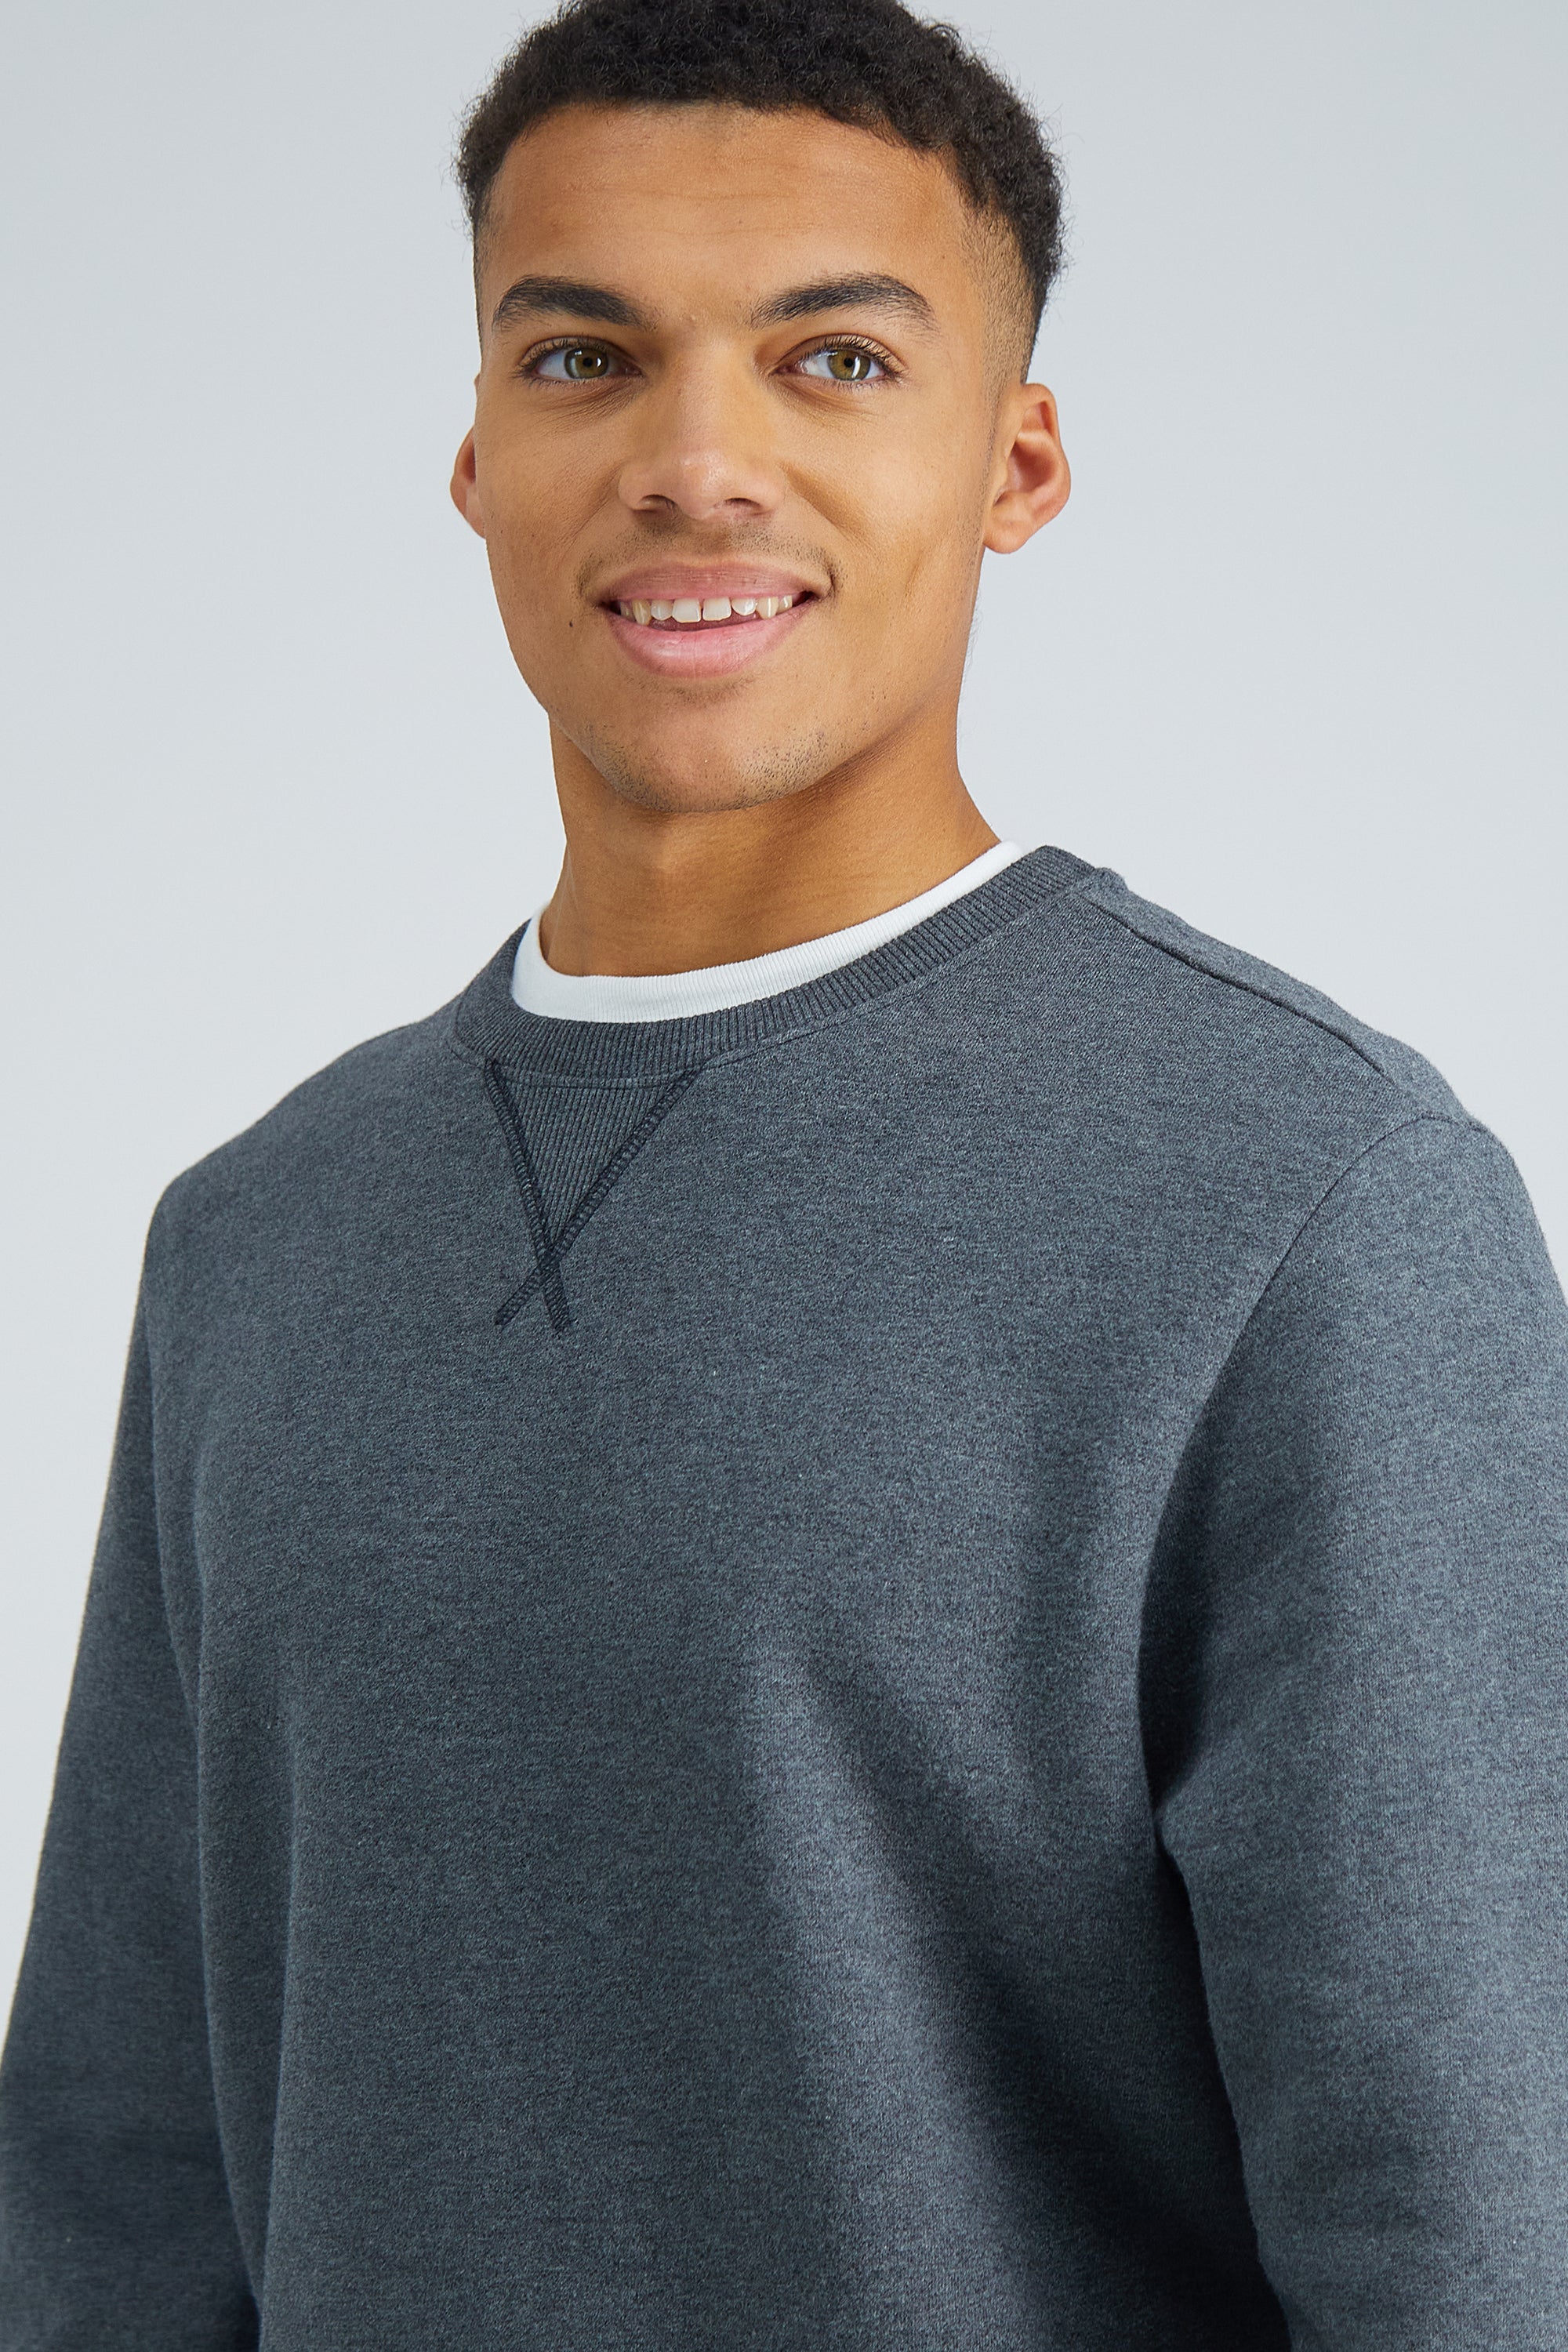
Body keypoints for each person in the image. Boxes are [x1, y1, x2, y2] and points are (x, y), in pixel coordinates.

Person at [2, 0, 1564, 2342]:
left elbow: (1473, 2247)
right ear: (478, 455)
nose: (696, 463)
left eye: (833, 363)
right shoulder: (255, 1235)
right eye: (586, 360)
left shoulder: (1310, 1204)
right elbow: (110, 2201)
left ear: (1015, 462)